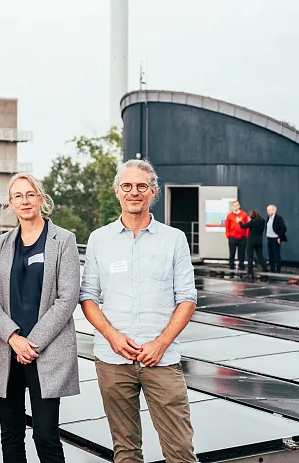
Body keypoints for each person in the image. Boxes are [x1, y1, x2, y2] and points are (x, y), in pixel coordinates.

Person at [79, 159, 198, 463]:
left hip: (162, 359)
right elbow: (88, 297)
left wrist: (161, 344)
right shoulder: (99, 239)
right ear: (117, 191)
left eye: (142, 186)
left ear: (153, 191)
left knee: (180, 450)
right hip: (112, 359)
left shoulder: (174, 239)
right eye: (127, 186)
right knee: (126, 451)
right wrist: (112, 336)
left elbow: (187, 298)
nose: (134, 192)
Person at [0, 173, 81, 463]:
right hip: (6, 351)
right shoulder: (1, 244)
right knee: (11, 434)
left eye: (30, 194)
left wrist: (32, 342)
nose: (24, 201)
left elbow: (67, 297)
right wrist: (14, 338)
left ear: (41, 199)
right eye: (18, 196)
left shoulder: (63, 240)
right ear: (10, 203)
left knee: (45, 435)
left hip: (46, 351)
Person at [224, 200, 249, 271]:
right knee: (232, 252)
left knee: (242, 253)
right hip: (232, 237)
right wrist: (228, 235)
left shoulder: (244, 214)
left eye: (237, 205)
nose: (235, 207)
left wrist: (246, 235)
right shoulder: (229, 216)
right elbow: (227, 226)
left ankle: (241, 265)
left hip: (242, 237)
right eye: (234, 205)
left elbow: (247, 225)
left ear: (239, 206)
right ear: (232, 207)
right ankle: (231, 265)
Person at [240, 210, 265, 277]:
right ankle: (265, 269)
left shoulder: (252, 222)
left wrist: (239, 221)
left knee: (250, 256)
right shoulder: (262, 221)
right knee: (260, 256)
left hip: (251, 241)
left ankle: (250, 271)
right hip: (259, 240)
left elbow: (243, 226)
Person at [265, 204, 288, 273]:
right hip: (269, 238)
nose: (268, 211)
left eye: (269, 210)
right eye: (267, 210)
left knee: (276, 255)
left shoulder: (278, 218)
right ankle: (272, 269)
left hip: (275, 239)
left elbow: (283, 228)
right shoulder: (268, 218)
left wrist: (279, 237)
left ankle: (278, 269)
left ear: (274, 210)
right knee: (270, 254)